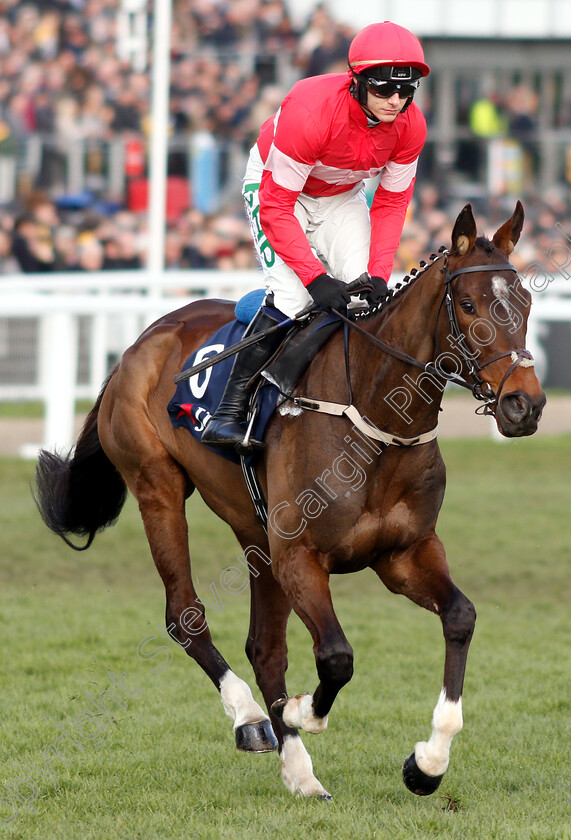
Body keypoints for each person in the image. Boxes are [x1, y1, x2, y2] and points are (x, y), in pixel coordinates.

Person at [202, 20, 429, 451]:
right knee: (294, 297)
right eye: (384, 89)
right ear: (356, 80)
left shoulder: (410, 126)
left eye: (406, 90)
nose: (396, 101)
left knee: (365, 298)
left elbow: (391, 203)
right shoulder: (311, 108)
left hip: (342, 196)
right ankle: (228, 411)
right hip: (277, 190)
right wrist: (314, 278)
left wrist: (380, 274)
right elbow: (275, 206)